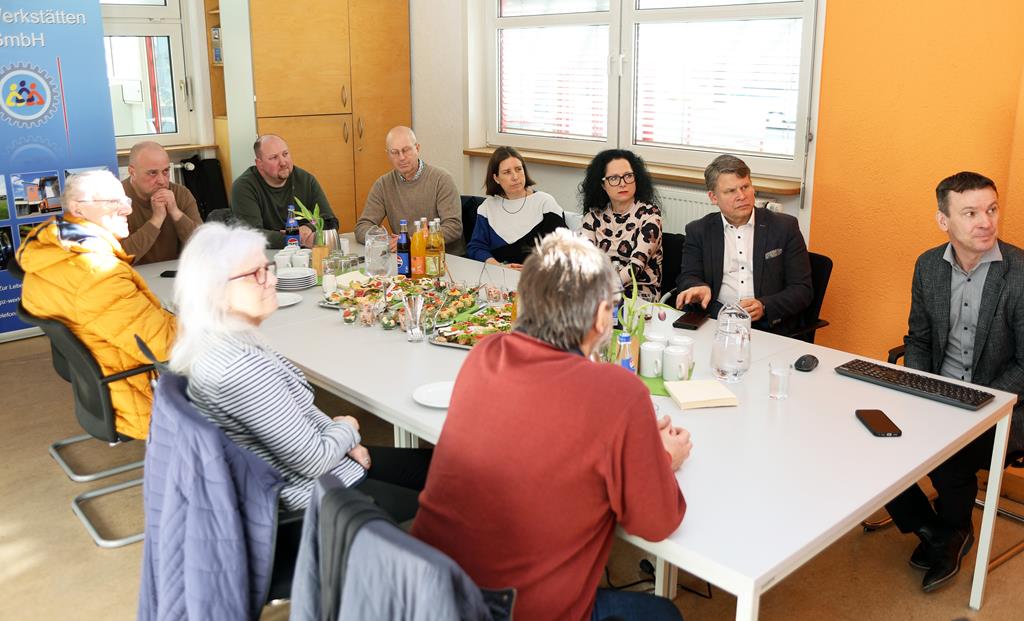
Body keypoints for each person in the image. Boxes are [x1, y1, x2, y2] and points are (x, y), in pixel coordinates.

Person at [412, 229, 691, 621]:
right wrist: (662, 456)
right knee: (664, 614)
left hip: (427, 593)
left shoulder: (485, 352)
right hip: (511, 610)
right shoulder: (619, 393)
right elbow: (656, 523)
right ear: (601, 316)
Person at [169, 223, 431, 520]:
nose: (272, 279)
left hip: (330, 470)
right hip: (319, 500)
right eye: (256, 274)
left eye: (267, 268)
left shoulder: (229, 340)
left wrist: (344, 439)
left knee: (443, 469)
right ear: (216, 292)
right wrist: (347, 427)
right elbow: (315, 461)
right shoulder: (237, 368)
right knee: (453, 496)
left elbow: (300, 412)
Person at [884, 171, 1024, 593]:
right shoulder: (928, 265)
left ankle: (952, 528)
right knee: (873, 436)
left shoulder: (1019, 272)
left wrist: (979, 402)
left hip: (1006, 404)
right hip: (940, 395)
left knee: (951, 451)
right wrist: (920, 392)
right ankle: (935, 530)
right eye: (971, 213)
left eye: (991, 209)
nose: (986, 222)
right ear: (943, 220)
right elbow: (919, 339)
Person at [17, 170, 176, 439]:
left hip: (109, 385)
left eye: (125, 200)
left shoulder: (51, 251)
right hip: (141, 397)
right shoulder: (96, 273)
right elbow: (164, 346)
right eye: (113, 202)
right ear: (78, 209)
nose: (127, 209)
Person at [675, 154, 812, 334]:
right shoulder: (699, 231)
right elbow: (688, 276)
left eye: (745, 187)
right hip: (717, 321)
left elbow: (802, 290)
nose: (741, 196)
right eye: (731, 191)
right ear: (713, 197)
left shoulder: (784, 227)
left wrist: (764, 306)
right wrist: (698, 286)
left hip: (767, 327)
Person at [354, 126, 464, 255]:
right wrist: (385, 240)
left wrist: (415, 241)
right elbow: (362, 227)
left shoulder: (441, 179)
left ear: (417, 148)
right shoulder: (383, 185)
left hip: (442, 257)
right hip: (404, 257)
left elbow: (454, 227)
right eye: (395, 152)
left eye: (406, 150)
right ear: (388, 154)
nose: (401, 157)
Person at [580, 149, 663, 301]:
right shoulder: (593, 217)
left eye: (628, 176)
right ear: (603, 185)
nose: (623, 183)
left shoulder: (650, 215)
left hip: (639, 297)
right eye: (614, 178)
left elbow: (636, 267)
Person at [230, 134, 339, 249]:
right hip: (266, 255)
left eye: (285, 154)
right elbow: (251, 235)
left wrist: (309, 227)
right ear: (259, 164)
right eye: (274, 157)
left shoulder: (305, 180)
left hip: (305, 254)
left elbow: (330, 220)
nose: (283, 162)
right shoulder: (244, 187)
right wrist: (295, 238)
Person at [465, 146, 565, 267]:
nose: (515, 177)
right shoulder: (487, 207)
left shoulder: (545, 203)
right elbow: (476, 248)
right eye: (507, 172)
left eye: (518, 169)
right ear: (496, 178)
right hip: (498, 274)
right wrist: (499, 266)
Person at [120, 141, 203, 264]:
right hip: (133, 273)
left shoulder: (181, 194)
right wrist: (156, 220)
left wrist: (176, 213)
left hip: (174, 271)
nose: (162, 181)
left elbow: (203, 246)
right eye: (152, 173)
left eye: (165, 171)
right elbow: (120, 258)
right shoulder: (115, 200)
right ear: (132, 172)